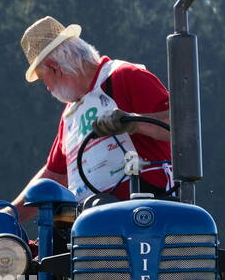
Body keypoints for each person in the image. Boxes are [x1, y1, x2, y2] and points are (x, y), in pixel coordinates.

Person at [11, 16, 175, 219]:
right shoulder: (70, 114)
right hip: (91, 225)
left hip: (146, 217)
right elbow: (54, 176)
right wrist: (9, 214)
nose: (47, 88)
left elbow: (181, 127)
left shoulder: (124, 77)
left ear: (55, 67)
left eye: (45, 79)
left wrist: (132, 123)